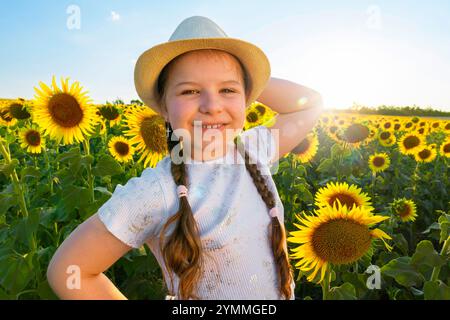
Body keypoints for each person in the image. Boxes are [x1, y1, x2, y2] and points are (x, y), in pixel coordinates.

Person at [47, 15, 324, 300]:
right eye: (190, 91)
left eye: (227, 90)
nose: (212, 106)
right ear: (164, 108)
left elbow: (309, 105)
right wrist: (229, 79)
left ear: (247, 98)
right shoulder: (156, 191)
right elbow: (70, 270)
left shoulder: (255, 149)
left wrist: (248, 78)